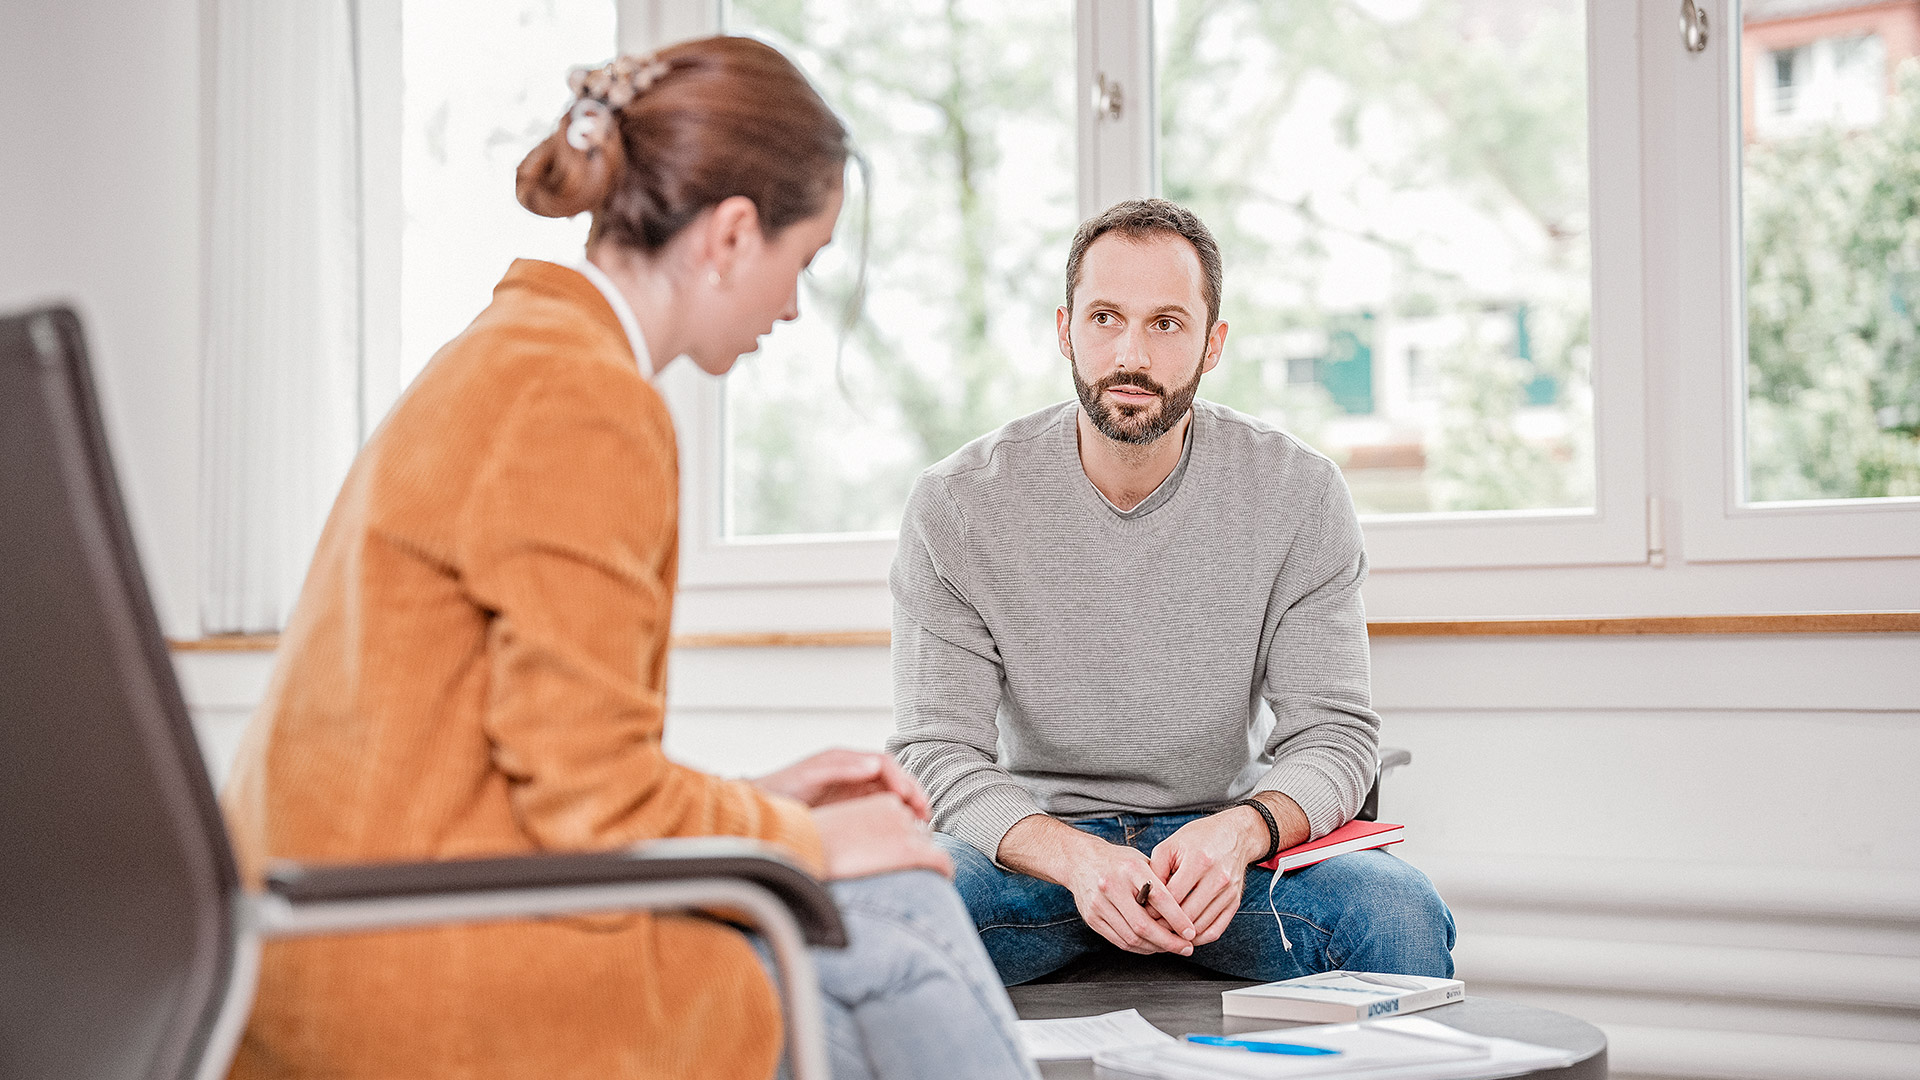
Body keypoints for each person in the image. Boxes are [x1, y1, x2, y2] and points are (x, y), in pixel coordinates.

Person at [222, 38, 1035, 1080]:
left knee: (896, 898)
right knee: (895, 934)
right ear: (733, 235)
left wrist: (763, 801)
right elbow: (591, 804)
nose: (793, 306)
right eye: (804, 262)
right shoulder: (585, 400)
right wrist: (799, 839)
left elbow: (545, 763)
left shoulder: (515, 352)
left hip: (341, 934)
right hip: (409, 968)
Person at [886, 198, 1455, 986]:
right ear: (1066, 330)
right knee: (896, 912)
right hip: (1036, 852)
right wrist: (1077, 859)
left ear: (1212, 343)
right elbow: (936, 751)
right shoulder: (957, 504)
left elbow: (1335, 735)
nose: (1132, 354)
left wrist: (1242, 832)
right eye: (1106, 318)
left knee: (1396, 911)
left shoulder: (1299, 493)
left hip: (1221, 853)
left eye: (1166, 323)